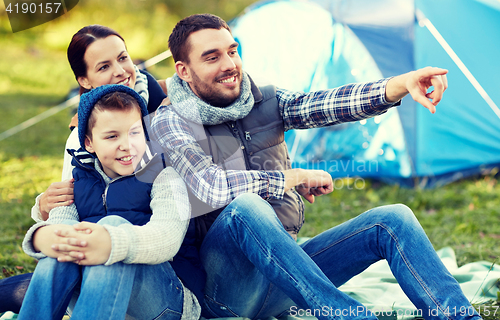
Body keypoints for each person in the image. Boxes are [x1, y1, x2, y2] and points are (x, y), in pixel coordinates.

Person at [144, 14, 481, 320]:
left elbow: (326, 104)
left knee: (393, 219)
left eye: (232, 51)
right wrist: (290, 178)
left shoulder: (264, 101)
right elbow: (212, 187)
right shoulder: (169, 121)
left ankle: (458, 316)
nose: (229, 64)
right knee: (245, 207)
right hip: (229, 293)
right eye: (212, 57)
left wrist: (399, 85)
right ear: (183, 71)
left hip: (288, 283)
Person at [0, 24, 168, 314]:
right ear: (85, 80)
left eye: (123, 57)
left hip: (150, 264)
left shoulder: (164, 113)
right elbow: (71, 201)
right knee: (37, 282)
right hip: (90, 256)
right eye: (104, 66)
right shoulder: (79, 136)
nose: (120, 71)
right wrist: (42, 206)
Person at [18, 84, 200, 319]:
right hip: (94, 295)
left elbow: (168, 237)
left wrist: (111, 242)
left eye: (135, 132)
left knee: (112, 224)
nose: (127, 145)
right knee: (61, 245)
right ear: (89, 143)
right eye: (112, 136)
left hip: (164, 302)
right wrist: (44, 236)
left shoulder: (164, 176)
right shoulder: (78, 181)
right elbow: (59, 226)